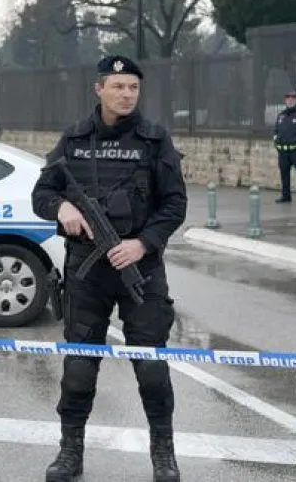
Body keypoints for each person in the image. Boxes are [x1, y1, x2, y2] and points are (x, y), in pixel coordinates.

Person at [31, 55, 188, 482]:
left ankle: (163, 454)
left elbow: (175, 203)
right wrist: (61, 206)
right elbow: (41, 192)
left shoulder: (154, 141)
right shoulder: (74, 141)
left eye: (133, 87)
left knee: (151, 368)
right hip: (88, 272)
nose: (126, 94)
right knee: (79, 369)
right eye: (117, 86)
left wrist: (142, 244)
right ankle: (70, 452)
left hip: (142, 271)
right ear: (98, 89)